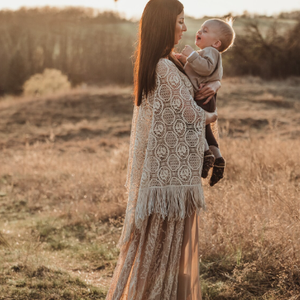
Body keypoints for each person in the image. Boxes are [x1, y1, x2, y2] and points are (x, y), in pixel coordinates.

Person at [105, 0, 220, 299]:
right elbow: (190, 114)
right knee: (162, 257)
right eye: (180, 20)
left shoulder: (164, 62)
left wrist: (212, 87)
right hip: (169, 183)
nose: (184, 27)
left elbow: (192, 93)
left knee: (158, 255)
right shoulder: (164, 66)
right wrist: (213, 115)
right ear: (164, 23)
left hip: (168, 180)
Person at [175, 18, 235, 186]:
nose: (199, 32)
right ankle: (218, 158)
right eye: (201, 29)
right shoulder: (207, 53)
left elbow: (206, 68)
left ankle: (205, 153)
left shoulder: (211, 52)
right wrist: (182, 60)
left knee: (194, 125)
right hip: (208, 98)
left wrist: (191, 55)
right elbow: (197, 71)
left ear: (216, 43)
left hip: (203, 97)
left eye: (205, 31)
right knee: (206, 130)